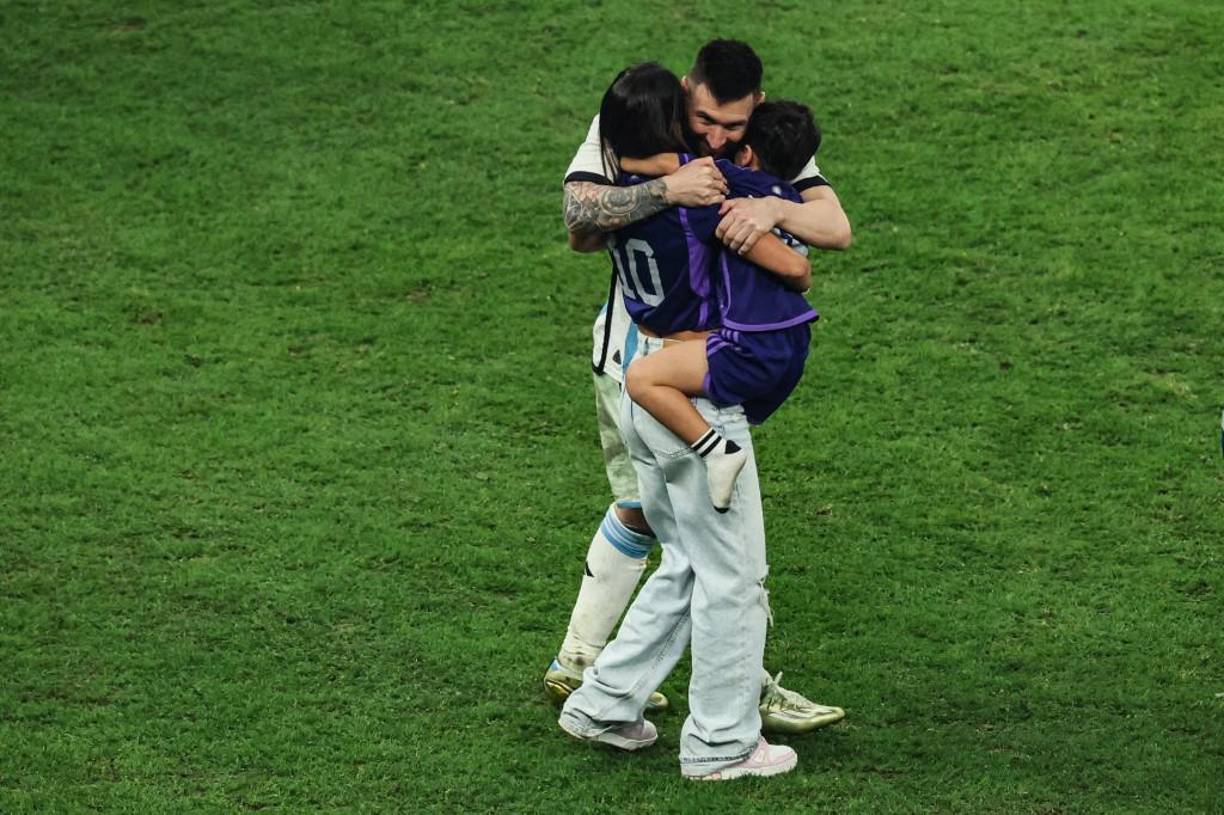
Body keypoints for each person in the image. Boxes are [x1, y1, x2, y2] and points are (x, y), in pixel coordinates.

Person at [545, 40, 851, 735]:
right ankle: (609, 674)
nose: (717, 137)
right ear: (687, 93)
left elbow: (834, 226)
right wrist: (669, 190)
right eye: (706, 120)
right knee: (692, 537)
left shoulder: (761, 139)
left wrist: (774, 211)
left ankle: (609, 683)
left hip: (708, 355)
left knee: (692, 539)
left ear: (757, 111)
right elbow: (578, 222)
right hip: (646, 354)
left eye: (732, 128)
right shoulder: (639, 117)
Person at [620, 100, 823, 511]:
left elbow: (663, 163)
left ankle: (717, 452)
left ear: (746, 154)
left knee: (641, 379)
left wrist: (614, 158)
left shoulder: (729, 184)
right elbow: (800, 271)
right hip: (793, 343)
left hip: (751, 343)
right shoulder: (791, 205)